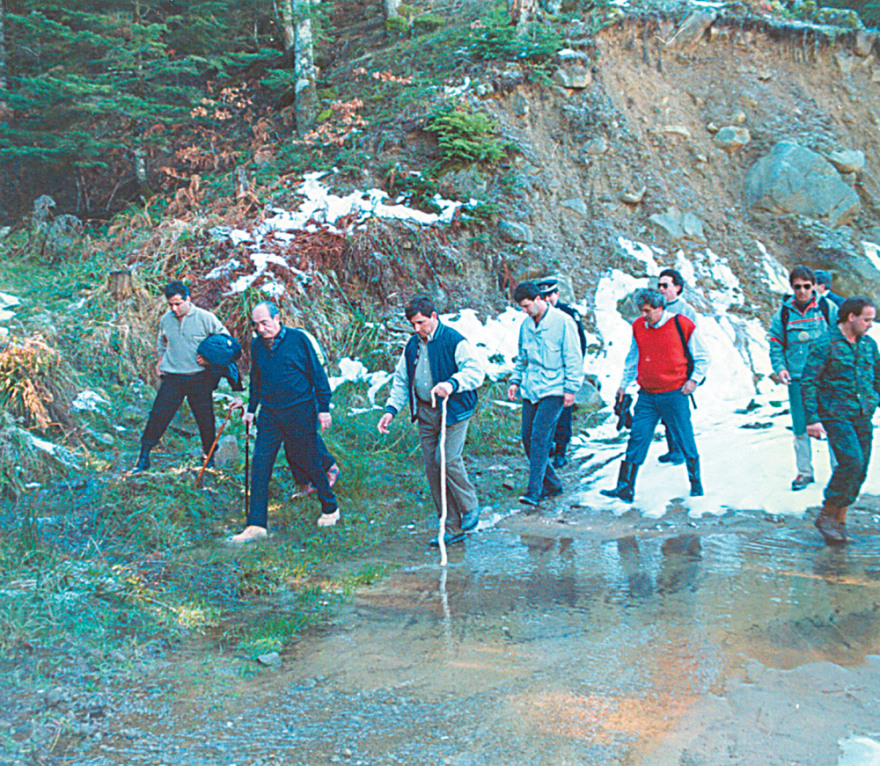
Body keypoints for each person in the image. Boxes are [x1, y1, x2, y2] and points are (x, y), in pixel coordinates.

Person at [378, 296, 485, 548]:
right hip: (426, 412)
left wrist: (452, 383)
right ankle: (450, 527)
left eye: (421, 323)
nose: (417, 329)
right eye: (413, 324)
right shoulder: (412, 345)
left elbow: (475, 372)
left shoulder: (454, 340)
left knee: (446, 457)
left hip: (454, 410)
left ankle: (470, 506)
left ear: (434, 317)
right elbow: (402, 380)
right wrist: (391, 410)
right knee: (433, 468)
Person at [230, 302, 338, 542]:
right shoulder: (258, 345)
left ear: (277, 318)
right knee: (260, 464)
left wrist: (323, 409)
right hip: (270, 413)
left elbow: (318, 375)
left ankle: (330, 508)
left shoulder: (299, 340)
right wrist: (250, 410)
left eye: (265, 322)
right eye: (256, 324)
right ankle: (256, 524)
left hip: (300, 409)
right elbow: (256, 380)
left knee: (310, 460)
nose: (260, 329)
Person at [600, 288, 709, 503]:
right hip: (647, 395)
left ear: (661, 308)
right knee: (637, 437)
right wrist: (623, 385)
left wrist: (693, 380)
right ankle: (625, 487)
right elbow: (633, 357)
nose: (644, 316)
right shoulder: (639, 327)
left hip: (674, 393)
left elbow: (703, 356)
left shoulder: (682, 324)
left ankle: (695, 483)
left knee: (684, 437)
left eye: (648, 311)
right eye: (641, 311)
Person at [801, 296, 880, 544]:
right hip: (835, 413)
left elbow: (877, 376)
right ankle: (827, 513)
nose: (870, 324)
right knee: (851, 461)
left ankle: (840, 519)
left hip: (862, 413)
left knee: (861, 468)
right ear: (851, 317)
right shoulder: (826, 344)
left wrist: (874, 399)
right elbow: (809, 381)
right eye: (866, 319)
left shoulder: (868, 345)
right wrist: (812, 419)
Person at [133, 281, 231, 472]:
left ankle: (209, 457)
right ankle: (144, 456)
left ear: (188, 299)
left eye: (178, 304)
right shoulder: (166, 320)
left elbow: (226, 342)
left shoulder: (205, 318)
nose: (174, 308)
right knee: (158, 416)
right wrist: (160, 360)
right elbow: (162, 341)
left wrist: (211, 359)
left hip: (199, 378)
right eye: (170, 304)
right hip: (173, 377)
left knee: (205, 419)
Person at [507, 282, 584, 506]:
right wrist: (515, 381)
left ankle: (535, 490)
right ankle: (552, 484)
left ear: (539, 299)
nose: (524, 311)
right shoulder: (526, 325)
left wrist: (571, 388)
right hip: (532, 389)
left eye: (526, 305)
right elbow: (522, 357)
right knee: (527, 438)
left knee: (540, 437)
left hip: (555, 388)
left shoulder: (563, 322)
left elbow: (573, 357)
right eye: (521, 307)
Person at [768, 266, 837, 492]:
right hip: (797, 378)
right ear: (791, 287)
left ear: (813, 285)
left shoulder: (827, 308)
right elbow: (776, 343)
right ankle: (804, 472)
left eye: (807, 286)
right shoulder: (783, 314)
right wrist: (780, 369)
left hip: (824, 378)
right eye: (797, 287)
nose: (802, 291)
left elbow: (840, 338)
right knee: (800, 426)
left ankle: (838, 471)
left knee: (832, 422)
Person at [536, 278, 587, 469]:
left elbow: (580, 345)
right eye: (543, 296)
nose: (547, 299)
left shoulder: (569, 314)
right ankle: (547, 446)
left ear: (557, 294)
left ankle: (561, 451)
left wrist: (572, 372)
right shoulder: (537, 316)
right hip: (544, 372)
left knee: (563, 413)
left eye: (550, 295)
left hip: (563, 372)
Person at [656, 268, 698, 465]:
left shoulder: (686, 310)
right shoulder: (657, 308)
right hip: (661, 368)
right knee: (665, 411)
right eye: (659, 285)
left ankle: (683, 450)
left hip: (680, 367)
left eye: (666, 285)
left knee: (679, 413)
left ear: (677, 287)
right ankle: (672, 449)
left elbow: (693, 340)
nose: (661, 289)